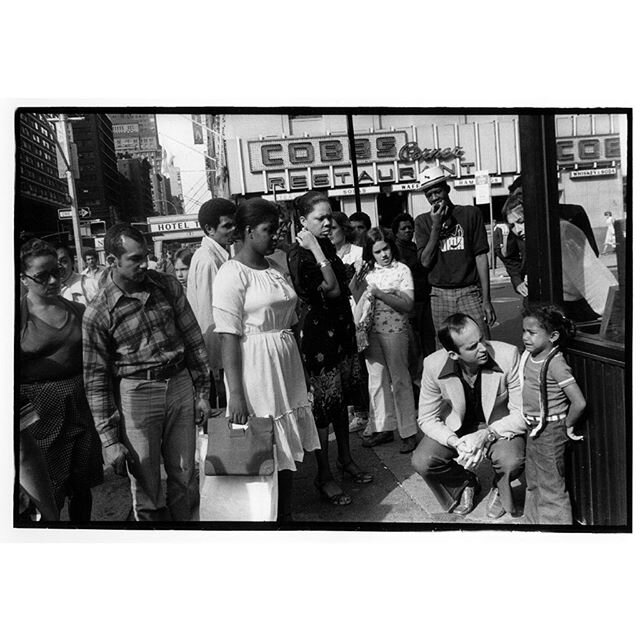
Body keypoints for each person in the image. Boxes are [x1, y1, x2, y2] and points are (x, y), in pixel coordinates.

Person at [82, 223, 212, 521]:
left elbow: (193, 339)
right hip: (136, 394)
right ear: (112, 260)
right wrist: (110, 440)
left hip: (179, 385)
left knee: (184, 476)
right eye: (135, 259)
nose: (144, 264)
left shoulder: (166, 285)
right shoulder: (99, 312)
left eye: (145, 256)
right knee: (146, 486)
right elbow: (96, 380)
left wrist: (202, 394)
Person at [212, 198, 321, 522]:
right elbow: (228, 336)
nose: (275, 236)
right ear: (247, 231)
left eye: (278, 229)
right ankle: (266, 521)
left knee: (284, 449)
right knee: (262, 445)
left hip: (285, 365)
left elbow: (290, 316)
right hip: (256, 369)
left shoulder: (275, 267)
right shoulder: (232, 274)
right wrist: (236, 394)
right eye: (268, 230)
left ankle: (284, 515)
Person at [288, 190, 373, 506]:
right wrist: (317, 251)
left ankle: (345, 459)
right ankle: (323, 475)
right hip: (319, 338)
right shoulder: (300, 255)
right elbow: (333, 291)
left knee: (343, 403)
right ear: (302, 221)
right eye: (319, 218)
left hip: (342, 333)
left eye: (329, 216)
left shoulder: (326, 247)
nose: (327, 222)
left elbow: (345, 288)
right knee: (323, 410)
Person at [19, 238, 103, 521]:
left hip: (80, 404)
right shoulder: (17, 317)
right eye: (42, 276)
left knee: (82, 484)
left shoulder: (76, 310)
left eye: (57, 271)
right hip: (39, 412)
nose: (53, 280)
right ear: (23, 278)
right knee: (46, 488)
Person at [411, 314, 526, 518]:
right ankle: (464, 483)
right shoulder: (433, 364)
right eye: (473, 347)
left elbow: (521, 414)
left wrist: (486, 435)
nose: (483, 348)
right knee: (422, 460)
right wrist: (454, 441)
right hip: (458, 429)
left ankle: (500, 487)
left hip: (497, 427)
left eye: (482, 339)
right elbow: (427, 418)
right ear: (454, 355)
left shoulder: (509, 355)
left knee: (511, 460)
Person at [520, 303, 586, 524]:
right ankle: (532, 523)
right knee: (534, 480)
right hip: (533, 428)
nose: (525, 337)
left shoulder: (556, 364)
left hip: (550, 430)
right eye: (524, 332)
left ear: (553, 336)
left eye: (532, 333)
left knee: (552, 485)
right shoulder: (530, 356)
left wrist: (567, 425)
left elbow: (579, 402)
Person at [502, 194, 618, 320]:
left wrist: (613, 313)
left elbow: (590, 278)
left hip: (568, 311)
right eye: (512, 226)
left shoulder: (561, 233)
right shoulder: (539, 238)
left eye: (521, 221)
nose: (518, 230)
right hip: (550, 309)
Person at [414, 166, 496, 345]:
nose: (434, 197)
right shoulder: (422, 221)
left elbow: (481, 257)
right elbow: (425, 261)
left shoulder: (469, 214)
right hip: (439, 292)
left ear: (447, 189)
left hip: (469, 290)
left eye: (437, 191)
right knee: (445, 346)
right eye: (429, 195)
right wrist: (436, 226)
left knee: (481, 340)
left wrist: (487, 299)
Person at [360, 227, 419, 454]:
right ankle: (383, 427)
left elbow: (408, 304)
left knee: (401, 380)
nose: (384, 255)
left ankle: (408, 431)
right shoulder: (367, 272)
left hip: (395, 331)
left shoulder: (402, 270)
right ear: (370, 253)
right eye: (377, 251)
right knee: (376, 380)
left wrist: (381, 294)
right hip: (371, 332)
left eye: (386, 249)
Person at [330, 211, 370, 433]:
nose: (331, 233)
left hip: (355, 309)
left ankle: (362, 411)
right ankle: (350, 408)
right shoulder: (325, 254)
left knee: (359, 363)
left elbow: (363, 287)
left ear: (344, 229)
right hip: (335, 314)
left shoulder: (357, 253)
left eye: (334, 228)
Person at [187, 198, 237, 372]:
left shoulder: (218, 255)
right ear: (209, 229)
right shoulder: (208, 260)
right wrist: (218, 367)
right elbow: (209, 317)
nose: (233, 230)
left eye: (234, 225)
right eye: (227, 226)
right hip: (219, 358)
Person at [392, 212, 434, 367]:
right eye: (404, 228)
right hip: (410, 303)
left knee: (427, 339)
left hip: (424, 298)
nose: (408, 231)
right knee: (414, 345)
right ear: (396, 231)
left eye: (410, 228)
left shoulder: (414, 247)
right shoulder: (396, 251)